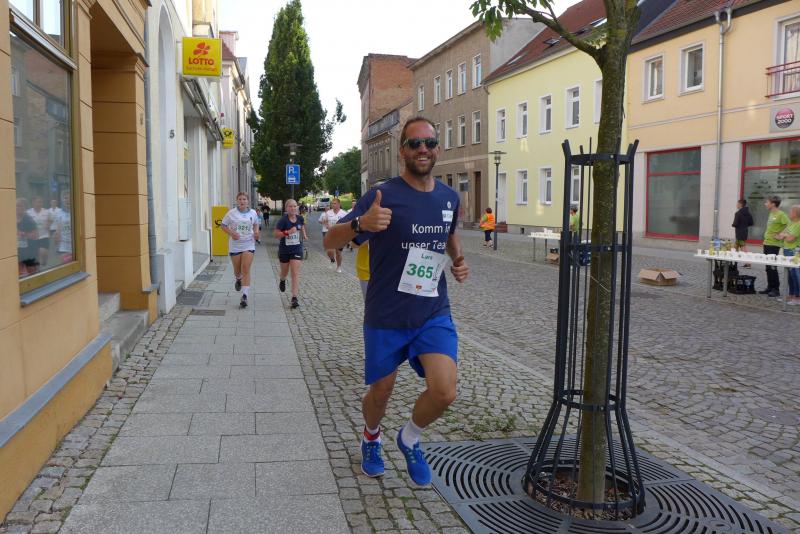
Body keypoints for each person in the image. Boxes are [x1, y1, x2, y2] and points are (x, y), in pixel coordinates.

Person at [325, 117, 469, 486]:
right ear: (402, 150)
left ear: (437, 149)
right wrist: (361, 224)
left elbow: (448, 233)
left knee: (444, 390)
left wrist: (457, 259)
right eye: (415, 143)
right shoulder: (381, 196)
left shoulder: (449, 197)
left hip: (432, 310)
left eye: (430, 143)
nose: (423, 149)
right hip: (386, 313)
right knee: (381, 392)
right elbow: (330, 241)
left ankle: (409, 438)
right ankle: (371, 436)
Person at [220, 192, 260, 308]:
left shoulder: (253, 213)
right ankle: (238, 279)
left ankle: (245, 296)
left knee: (245, 268)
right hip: (236, 245)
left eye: (244, 199)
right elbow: (223, 225)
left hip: (249, 243)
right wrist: (231, 233)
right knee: (237, 271)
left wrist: (256, 232)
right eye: (240, 199)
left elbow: (256, 224)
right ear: (237, 201)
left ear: (248, 201)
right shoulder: (231, 213)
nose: (242, 201)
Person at [274, 199, 308, 309]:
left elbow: (302, 226)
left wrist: (304, 235)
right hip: (284, 250)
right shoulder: (283, 220)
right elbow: (276, 235)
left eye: (294, 206)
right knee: (284, 271)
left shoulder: (300, 218)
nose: (293, 208)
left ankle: (294, 297)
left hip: (297, 249)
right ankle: (282, 279)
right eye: (290, 206)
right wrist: (287, 232)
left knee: (295, 272)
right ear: (286, 208)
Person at [758, 195, 789, 297]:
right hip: (767, 243)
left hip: (774, 244)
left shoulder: (781, 214)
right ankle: (770, 287)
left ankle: (776, 289)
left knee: (772, 267)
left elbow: (789, 225)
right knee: (768, 267)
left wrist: (781, 235)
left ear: (773, 204)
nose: (765, 204)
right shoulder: (771, 213)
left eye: (767, 202)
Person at [777, 204, 800, 305]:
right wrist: (785, 235)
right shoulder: (791, 223)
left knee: (795, 274)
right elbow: (779, 236)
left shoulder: (798, 224)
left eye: (791, 211)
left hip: (794, 252)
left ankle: (797, 297)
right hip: (787, 250)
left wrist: (785, 235)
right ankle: (791, 295)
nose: (789, 213)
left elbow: (791, 239)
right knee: (789, 274)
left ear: (796, 213)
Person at [319, 198, 349, 272]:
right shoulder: (328, 212)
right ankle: (332, 259)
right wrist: (327, 225)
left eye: (335, 203)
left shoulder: (344, 213)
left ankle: (339, 267)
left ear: (339, 204)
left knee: (338, 252)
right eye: (332, 203)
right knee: (329, 251)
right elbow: (324, 221)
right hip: (330, 234)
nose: (333, 205)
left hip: (340, 235)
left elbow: (348, 223)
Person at [27, 196, 52, 269]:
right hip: (33, 237)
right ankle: (37, 269)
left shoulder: (47, 212)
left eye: (41, 202)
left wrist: (48, 224)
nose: (39, 204)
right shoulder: (28, 212)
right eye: (37, 202)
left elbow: (51, 220)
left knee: (43, 252)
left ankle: (44, 260)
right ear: (33, 203)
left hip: (44, 235)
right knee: (35, 254)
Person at [16, 198, 39, 276]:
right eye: (16, 206)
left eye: (20, 206)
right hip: (17, 252)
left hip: (30, 251)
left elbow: (35, 235)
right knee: (18, 274)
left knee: (32, 274)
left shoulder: (29, 220)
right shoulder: (11, 218)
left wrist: (22, 234)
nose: (18, 207)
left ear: (25, 208)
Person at [732, 199, 754, 267]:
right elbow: (751, 223)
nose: (736, 205)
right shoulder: (748, 213)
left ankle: (748, 263)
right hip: (744, 232)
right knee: (735, 247)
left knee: (743, 248)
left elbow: (735, 224)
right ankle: (733, 262)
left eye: (737, 203)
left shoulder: (738, 213)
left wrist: (733, 225)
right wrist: (744, 225)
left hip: (739, 233)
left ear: (740, 204)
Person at [53, 192, 73, 264]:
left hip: (75, 246)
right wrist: (56, 243)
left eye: (70, 198)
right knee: (66, 265)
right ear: (62, 200)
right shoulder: (59, 213)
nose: (68, 200)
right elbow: (57, 230)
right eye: (65, 198)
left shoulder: (77, 212)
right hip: (63, 246)